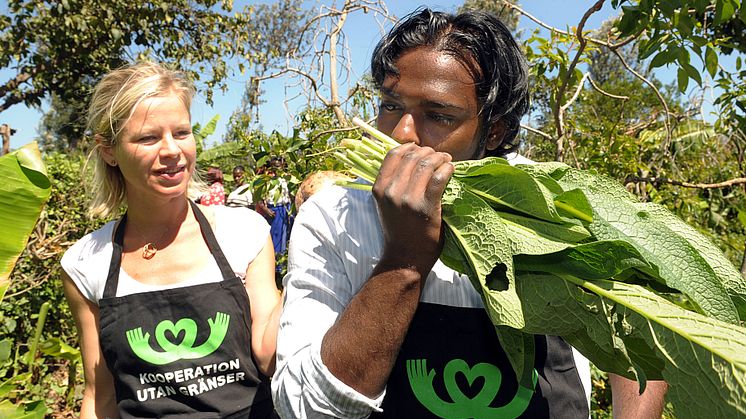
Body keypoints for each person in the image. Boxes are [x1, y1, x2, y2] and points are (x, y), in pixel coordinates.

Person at [272, 8, 668, 418]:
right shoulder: (334, 218)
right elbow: (304, 408)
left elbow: (639, 328)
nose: (401, 133)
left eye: (439, 115)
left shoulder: (556, 204)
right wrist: (405, 260)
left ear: (493, 130)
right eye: (391, 105)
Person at [60, 61, 281, 417]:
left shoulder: (244, 233)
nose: (172, 151)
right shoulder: (85, 263)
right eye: (148, 138)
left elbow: (269, 355)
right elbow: (100, 397)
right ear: (108, 150)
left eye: (181, 133)